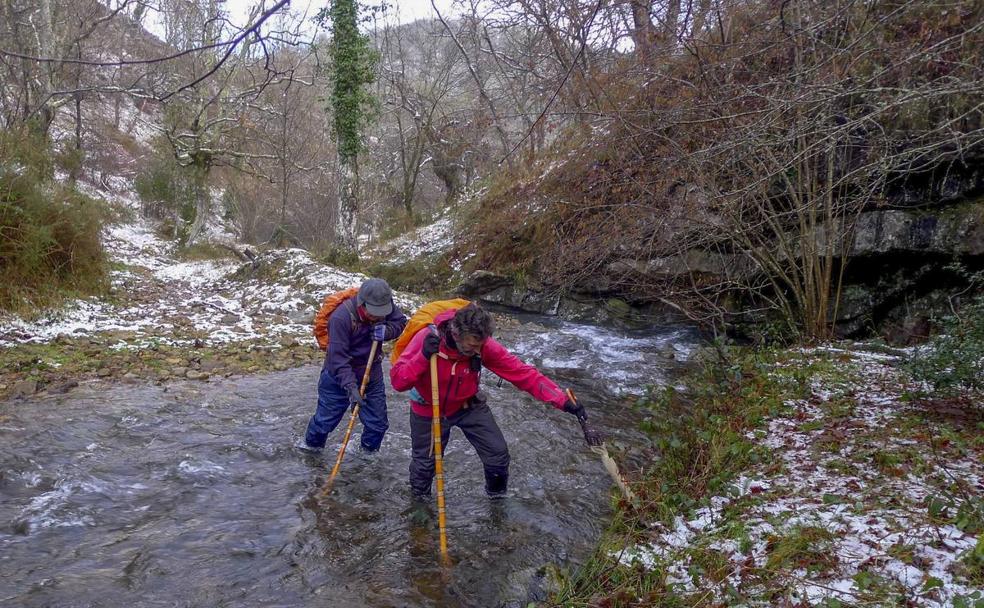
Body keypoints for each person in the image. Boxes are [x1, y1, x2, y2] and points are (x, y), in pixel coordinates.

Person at [389, 302, 602, 499]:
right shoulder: (426, 340)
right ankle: (419, 509)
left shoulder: (482, 344)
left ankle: (497, 502)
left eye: (480, 346)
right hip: (429, 408)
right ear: (455, 333)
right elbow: (399, 382)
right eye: (471, 347)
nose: (477, 351)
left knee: (497, 456)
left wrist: (563, 400)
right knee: (425, 466)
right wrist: (423, 356)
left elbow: (521, 373)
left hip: (468, 405)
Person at [298, 278, 407, 453]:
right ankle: (311, 452)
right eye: (373, 312)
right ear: (361, 304)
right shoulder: (341, 318)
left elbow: (400, 322)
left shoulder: (384, 304)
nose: (378, 316)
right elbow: (338, 359)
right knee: (324, 423)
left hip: (372, 372)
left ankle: (366, 458)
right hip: (337, 376)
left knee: (377, 425)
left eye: (381, 313)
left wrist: (387, 331)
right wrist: (351, 388)